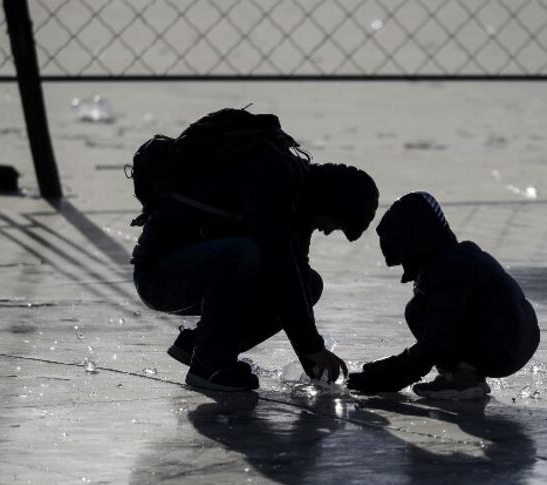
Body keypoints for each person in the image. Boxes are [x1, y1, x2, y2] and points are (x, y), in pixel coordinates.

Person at [130, 111, 378, 392]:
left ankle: (199, 345)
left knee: (308, 283)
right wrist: (313, 347)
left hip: (197, 271)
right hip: (160, 274)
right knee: (242, 253)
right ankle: (209, 364)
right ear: (333, 203)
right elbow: (279, 263)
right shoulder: (273, 176)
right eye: (337, 224)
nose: (328, 231)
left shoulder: (298, 199)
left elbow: (292, 277)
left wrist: (311, 360)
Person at [347, 191, 540, 399]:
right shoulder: (458, 258)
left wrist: (384, 377)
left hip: (503, 346)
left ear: (413, 244)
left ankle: (461, 378)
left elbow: (435, 341)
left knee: (418, 311)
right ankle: (466, 374)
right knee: (420, 308)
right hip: (519, 338)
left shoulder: (447, 271)